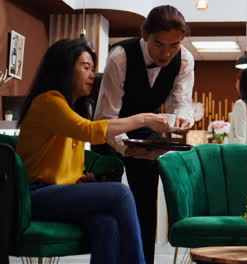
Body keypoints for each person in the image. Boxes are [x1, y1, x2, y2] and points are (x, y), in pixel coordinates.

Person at [16, 39, 173, 264]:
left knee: (106, 224)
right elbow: (90, 131)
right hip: (34, 195)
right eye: (85, 67)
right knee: (121, 193)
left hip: (55, 192)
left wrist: (81, 179)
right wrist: (144, 118)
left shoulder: (69, 108)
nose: (92, 75)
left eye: (92, 68)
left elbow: (62, 161)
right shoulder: (48, 101)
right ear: (64, 68)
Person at [93, 5, 194, 263]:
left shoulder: (185, 59)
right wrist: (125, 149)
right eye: (159, 44)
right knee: (108, 210)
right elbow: (106, 118)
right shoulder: (120, 56)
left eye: (174, 45)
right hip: (110, 133)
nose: (167, 53)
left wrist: (180, 120)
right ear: (144, 34)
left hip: (145, 134)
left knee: (145, 206)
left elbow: (180, 104)